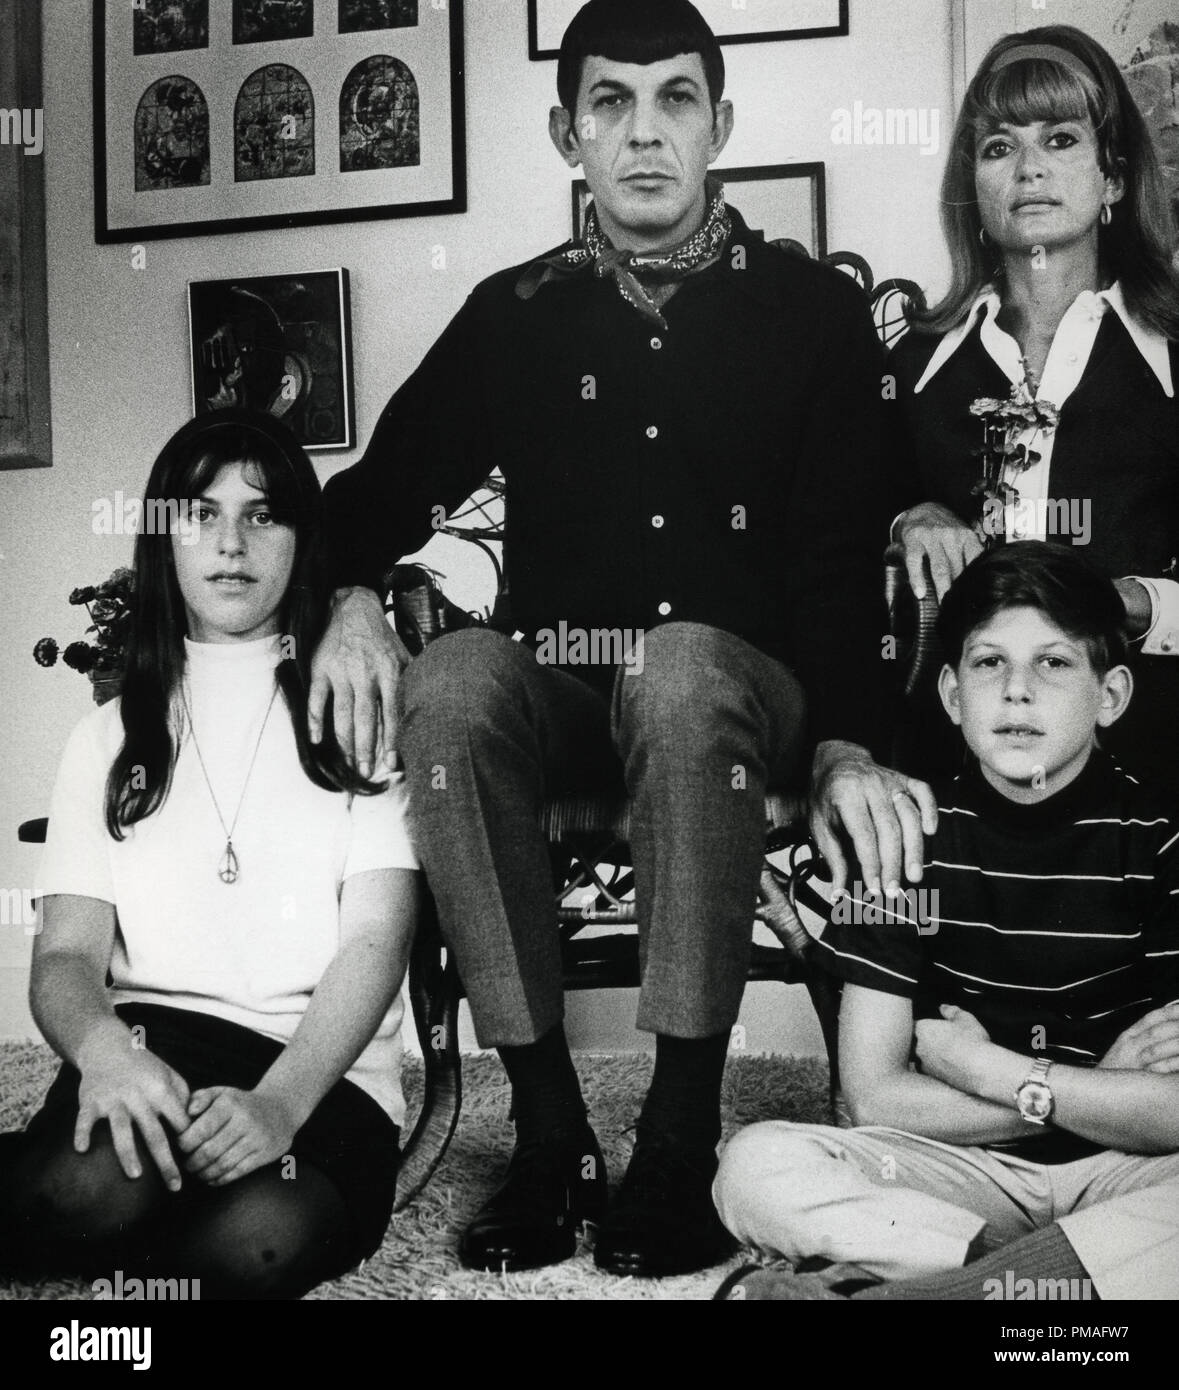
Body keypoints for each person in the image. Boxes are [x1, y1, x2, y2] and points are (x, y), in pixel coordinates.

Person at [309, 0, 926, 1279]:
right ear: (566, 130)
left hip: (741, 699)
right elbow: (365, 500)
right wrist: (356, 600)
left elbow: (834, 564)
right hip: (573, 702)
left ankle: (683, 1134)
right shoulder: (514, 314)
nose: (644, 134)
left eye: (675, 100)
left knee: (686, 664)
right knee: (457, 678)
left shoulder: (812, 315)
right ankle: (549, 1135)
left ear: (722, 124)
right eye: (610, 103)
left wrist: (858, 744)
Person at [0, 410, 420, 1299]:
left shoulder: (357, 709)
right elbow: (66, 957)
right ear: (165, 539)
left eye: (263, 514)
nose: (231, 542)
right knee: (83, 1198)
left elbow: (376, 943)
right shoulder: (104, 735)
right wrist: (108, 1055)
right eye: (200, 513)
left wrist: (278, 1105)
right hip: (155, 1048)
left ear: (305, 539)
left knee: (252, 1246)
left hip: (318, 1071)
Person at [713, 543, 1179, 1300]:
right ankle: (1049, 1298)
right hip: (962, 1182)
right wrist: (1094, 1089)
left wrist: (988, 1071)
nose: (1017, 693)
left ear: (1111, 694)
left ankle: (925, 1293)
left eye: (1054, 664)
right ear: (953, 694)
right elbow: (873, 1098)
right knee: (756, 1167)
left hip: (1124, 1177)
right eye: (989, 664)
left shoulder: (1160, 842)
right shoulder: (905, 839)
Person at [888, 24, 1179, 785]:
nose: (1028, 170)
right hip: (940, 770)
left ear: (1112, 176)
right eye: (997, 147)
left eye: (1058, 138)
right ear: (972, 187)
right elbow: (824, 543)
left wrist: (1136, 604)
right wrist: (908, 516)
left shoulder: (1171, 359)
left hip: (1151, 760)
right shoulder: (914, 365)